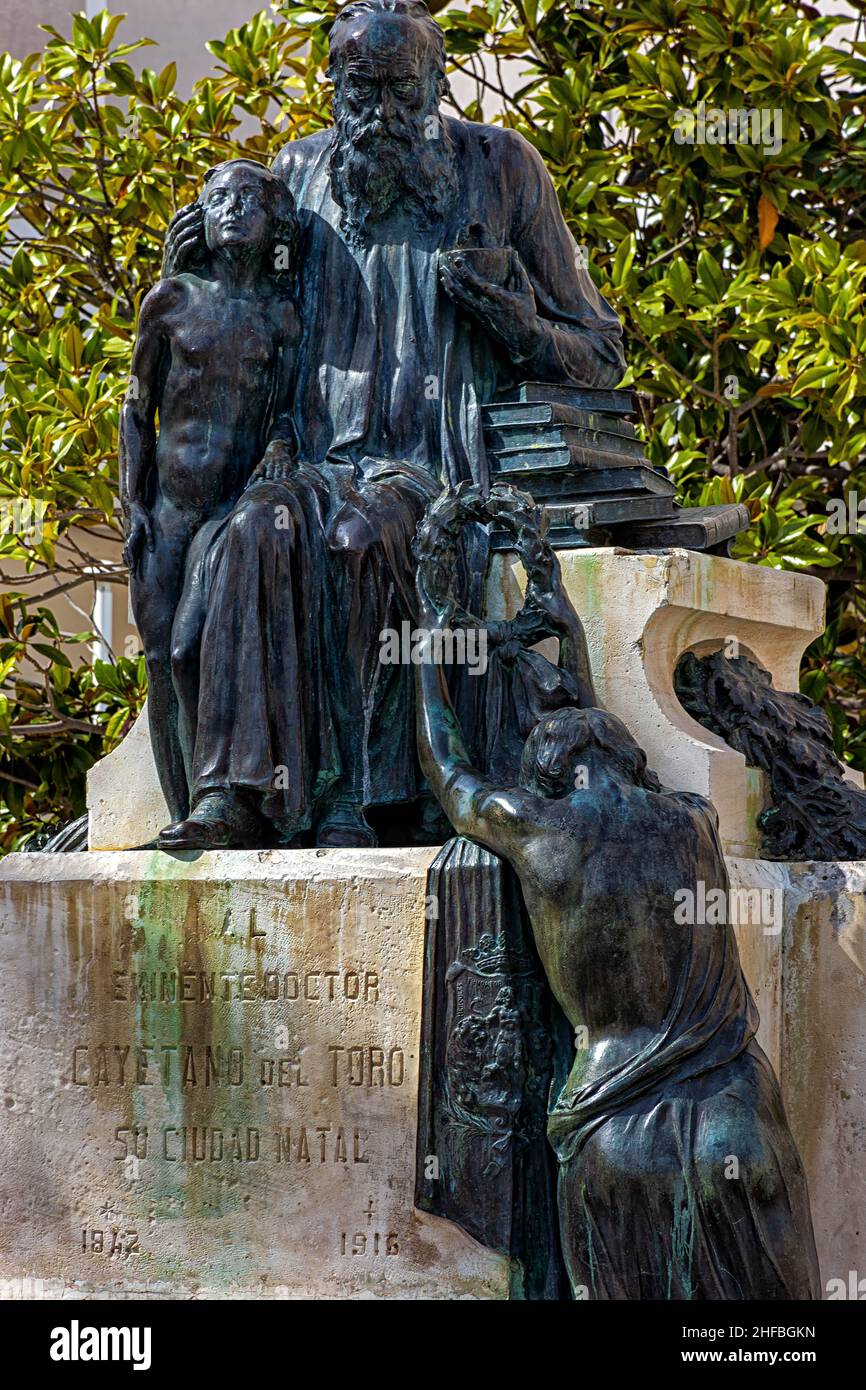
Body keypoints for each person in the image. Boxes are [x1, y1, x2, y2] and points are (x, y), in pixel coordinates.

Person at [155, 0, 625, 849]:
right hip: (313, 460)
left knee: (361, 539)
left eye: (399, 90)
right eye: (357, 89)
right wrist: (184, 266)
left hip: (440, 470)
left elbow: (599, 352)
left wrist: (516, 322)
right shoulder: (293, 180)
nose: (377, 114)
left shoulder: (500, 169)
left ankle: (375, 804)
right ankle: (234, 796)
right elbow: (233, 318)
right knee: (252, 534)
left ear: (436, 83)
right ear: (331, 86)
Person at [413, 548, 821, 1301]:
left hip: (616, 1131)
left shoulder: (532, 828)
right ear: (632, 758)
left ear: (542, 770)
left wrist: (429, 651)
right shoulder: (695, 824)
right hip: (734, 1106)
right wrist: (567, 633)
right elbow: (610, 769)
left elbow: (449, 770)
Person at [121, 159, 302, 835]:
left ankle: (223, 802)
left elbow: (288, 411)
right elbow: (136, 410)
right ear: (201, 214)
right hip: (166, 511)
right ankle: (184, 818)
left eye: (247, 199)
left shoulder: (280, 316)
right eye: (218, 198)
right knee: (163, 664)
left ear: (271, 219)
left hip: (228, 510)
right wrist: (130, 502)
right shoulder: (170, 300)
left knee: (196, 646)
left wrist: (282, 445)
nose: (231, 209)